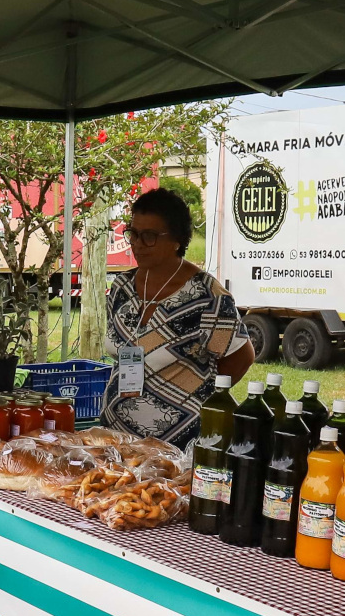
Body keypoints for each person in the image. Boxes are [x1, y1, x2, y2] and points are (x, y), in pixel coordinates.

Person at [102, 186, 253, 446]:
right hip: (116, 436)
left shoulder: (208, 296)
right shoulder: (121, 288)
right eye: (134, 234)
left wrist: (190, 393)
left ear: (177, 240)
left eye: (149, 236)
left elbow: (241, 357)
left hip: (179, 442)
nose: (138, 244)